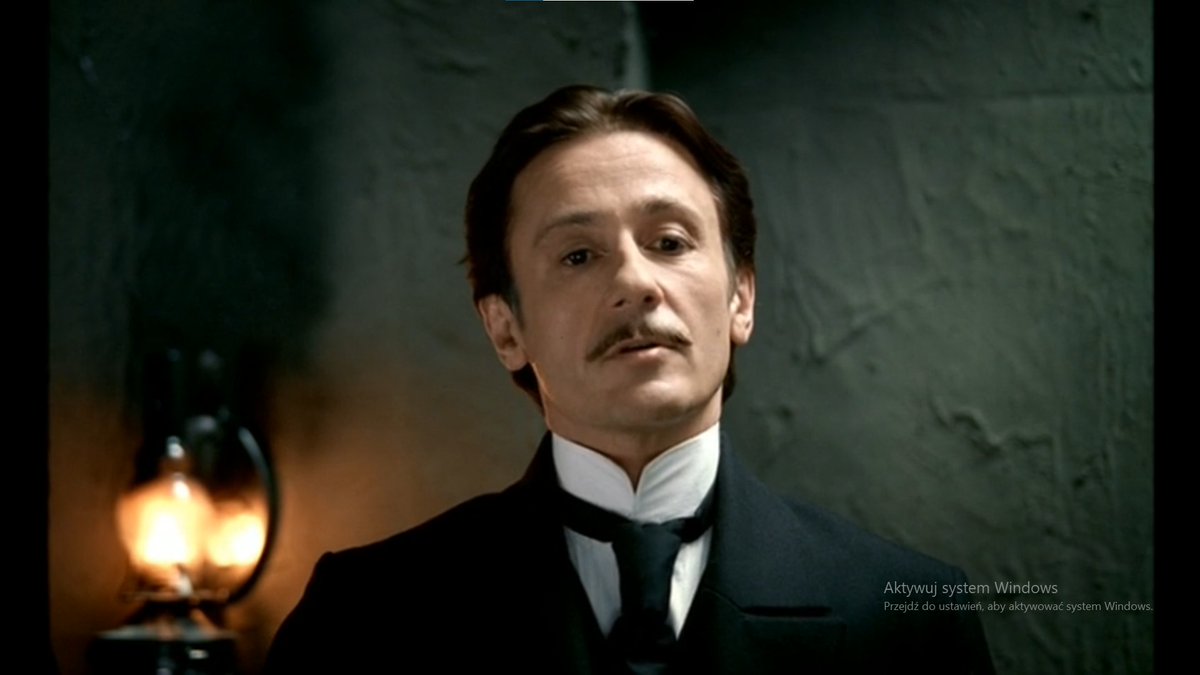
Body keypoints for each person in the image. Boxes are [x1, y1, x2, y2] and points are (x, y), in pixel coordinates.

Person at [264, 84, 995, 674]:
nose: (636, 282)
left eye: (670, 242)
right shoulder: (363, 615)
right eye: (578, 255)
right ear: (505, 328)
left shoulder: (908, 615)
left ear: (741, 298)